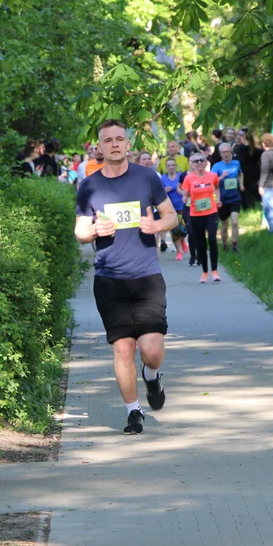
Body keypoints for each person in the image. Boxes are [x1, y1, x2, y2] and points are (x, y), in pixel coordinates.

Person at [75, 119, 178, 435]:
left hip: (147, 277)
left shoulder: (147, 177)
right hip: (109, 279)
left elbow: (171, 215)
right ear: (100, 146)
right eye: (109, 140)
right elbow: (80, 232)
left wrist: (157, 226)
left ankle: (150, 374)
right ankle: (134, 413)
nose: (116, 144)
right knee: (123, 348)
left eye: (121, 139)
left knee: (151, 350)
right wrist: (93, 230)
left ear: (128, 144)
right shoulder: (89, 186)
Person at [180, 153, 221, 283]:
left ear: (205, 162)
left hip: (211, 212)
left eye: (201, 160)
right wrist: (185, 198)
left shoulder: (213, 176)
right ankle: (204, 272)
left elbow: (217, 188)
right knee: (201, 242)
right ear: (192, 164)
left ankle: (214, 271)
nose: (199, 163)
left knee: (213, 239)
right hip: (196, 214)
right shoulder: (189, 178)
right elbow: (185, 193)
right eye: (196, 161)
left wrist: (218, 199)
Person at [212, 143, 243, 252]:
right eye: (223, 152)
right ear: (220, 154)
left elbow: (240, 174)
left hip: (235, 197)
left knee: (235, 222)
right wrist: (222, 177)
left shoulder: (236, 163)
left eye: (228, 152)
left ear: (231, 152)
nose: (226, 154)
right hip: (222, 199)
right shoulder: (216, 166)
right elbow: (212, 182)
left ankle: (235, 246)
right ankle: (225, 245)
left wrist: (241, 184)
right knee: (224, 225)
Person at [160, 156, 189, 260]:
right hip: (169, 208)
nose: (171, 167)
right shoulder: (162, 178)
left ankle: (183, 241)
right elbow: (159, 192)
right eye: (169, 165)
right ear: (166, 167)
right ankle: (179, 251)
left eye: (173, 165)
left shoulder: (181, 176)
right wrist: (165, 190)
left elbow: (187, 187)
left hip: (181, 206)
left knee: (183, 229)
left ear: (176, 166)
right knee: (174, 230)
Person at [234, 129, 262, 209]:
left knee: (245, 192)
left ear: (243, 137)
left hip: (244, 173)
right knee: (253, 190)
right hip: (256, 172)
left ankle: (247, 207)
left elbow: (237, 161)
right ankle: (257, 205)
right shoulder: (257, 149)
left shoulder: (240, 149)